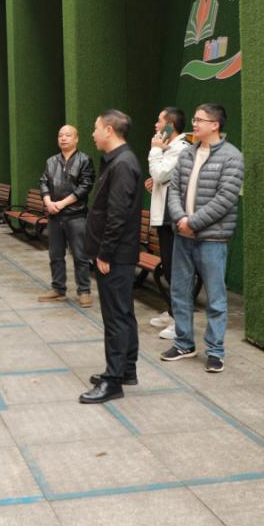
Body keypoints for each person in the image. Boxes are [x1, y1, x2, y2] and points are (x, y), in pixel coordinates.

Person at [162, 103, 245, 373]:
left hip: (212, 239)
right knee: (179, 291)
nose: (194, 124)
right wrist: (181, 220)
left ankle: (215, 351)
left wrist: (193, 223)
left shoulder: (232, 157)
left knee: (215, 298)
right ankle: (184, 344)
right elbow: (174, 190)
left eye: (199, 120)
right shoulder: (187, 154)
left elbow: (225, 199)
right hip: (183, 235)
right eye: (194, 119)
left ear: (215, 125)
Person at [80, 109, 143, 404]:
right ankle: (126, 369)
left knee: (116, 317)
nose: (92, 134)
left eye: (95, 128)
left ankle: (114, 380)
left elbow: (117, 214)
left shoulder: (122, 164)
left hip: (115, 255)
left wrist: (105, 253)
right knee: (123, 313)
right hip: (118, 253)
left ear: (108, 130)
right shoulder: (117, 161)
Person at [145, 107, 192, 339]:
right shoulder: (170, 148)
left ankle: (180, 322)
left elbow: (161, 174)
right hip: (163, 216)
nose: (156, 125)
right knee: (169, 268)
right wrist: (155, 180)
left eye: (159, 121)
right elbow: (162, 178)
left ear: (170, 125)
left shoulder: (181, 148)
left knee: (176, 271)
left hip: (173, 217)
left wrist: (155, 150)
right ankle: (174, 312)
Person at [37, 125, 95, 308]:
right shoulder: (51, 161)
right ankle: (58, 288)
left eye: (68, 135)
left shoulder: (84, 160)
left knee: (80, 256)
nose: (63, 138)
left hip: (76, 216)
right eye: (60, 135)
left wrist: (61, 204)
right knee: (55, 255)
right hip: (54, 216)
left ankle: (84, 291)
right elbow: (44, 182)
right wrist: (48, 202)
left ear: (76, 139)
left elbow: (85, 187)